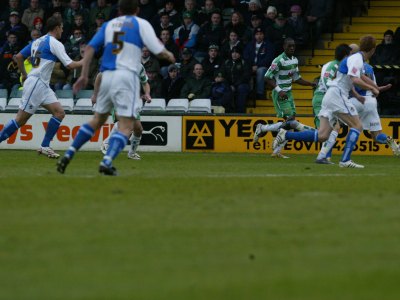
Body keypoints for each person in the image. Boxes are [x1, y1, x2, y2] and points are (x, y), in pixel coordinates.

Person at [57, 0, 175, 176]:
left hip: (106, 75)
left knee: (97, 120)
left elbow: (89, 48)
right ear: (137, 9)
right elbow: (158, 50)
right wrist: (170, 56)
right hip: (126, 77)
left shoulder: (109, 24)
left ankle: (69, 153)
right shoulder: (140, 23)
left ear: (119, 10)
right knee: (126, 126)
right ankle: (107, 161)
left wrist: (83, 75)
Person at [272, 35, 380, 168]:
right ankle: (345, 160)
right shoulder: (357, 59)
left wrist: (375, 87)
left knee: (323, 135)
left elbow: (361, 76)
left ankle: (286, 134)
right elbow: (355, 79)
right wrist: (371, 88)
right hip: (338, 94)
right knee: (357, 126)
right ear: (373, 50)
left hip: (329, 96)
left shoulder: (354, 59)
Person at [0, 16, 83, 158]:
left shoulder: (37, 41)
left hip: (41, 84)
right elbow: (69, 65)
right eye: (61, 27)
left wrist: (25, 74)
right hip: (37, 83)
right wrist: (85, 61)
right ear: (56, 28)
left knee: (59, 112)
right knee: (21, 119)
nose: (62, 30)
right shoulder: (54, 43)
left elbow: (19, 56)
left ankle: (45, 146)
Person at [254, 38, 316, 158]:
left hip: (289, 93)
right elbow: (267, 77)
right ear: (284, 47)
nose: (292, 48)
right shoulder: (279, 60)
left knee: (291, 123)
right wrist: (279, 90)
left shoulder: (294, 60)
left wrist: (310, 84)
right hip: (280, 94)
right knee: (291, 120)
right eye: (289, 46)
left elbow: (297, 78)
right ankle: (265, 130)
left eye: (293, 46)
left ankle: (274, 147)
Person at [99, 64, 152, 159]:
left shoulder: (139, 67)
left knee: (138, 129)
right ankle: (107, 143)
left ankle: (131, 153)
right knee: (126, 122)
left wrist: (147, 94)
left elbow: (145, 82)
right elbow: (100, 76)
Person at [313, 43, 352, 164]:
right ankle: (288, 133)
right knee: (322, 133)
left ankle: (323, 156)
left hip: (328, 99)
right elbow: (326, 81)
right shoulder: (333, 65)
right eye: (350, 55)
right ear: (345, 55)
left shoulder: (339, 65)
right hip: (323, 98)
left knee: (333, 128)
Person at [243, 26, 275, 99]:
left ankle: (260, 93)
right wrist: (251, 66)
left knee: (261, 71)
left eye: (261, 34)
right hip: (251, 67)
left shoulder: (269, 45)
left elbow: (269, 58)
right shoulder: (250, 45)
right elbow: (245, 57)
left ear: (264, 35)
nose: (259, 36)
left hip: (264, 67)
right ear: (254, 36)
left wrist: (257, 65)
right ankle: (248, 94)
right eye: (257, 34)